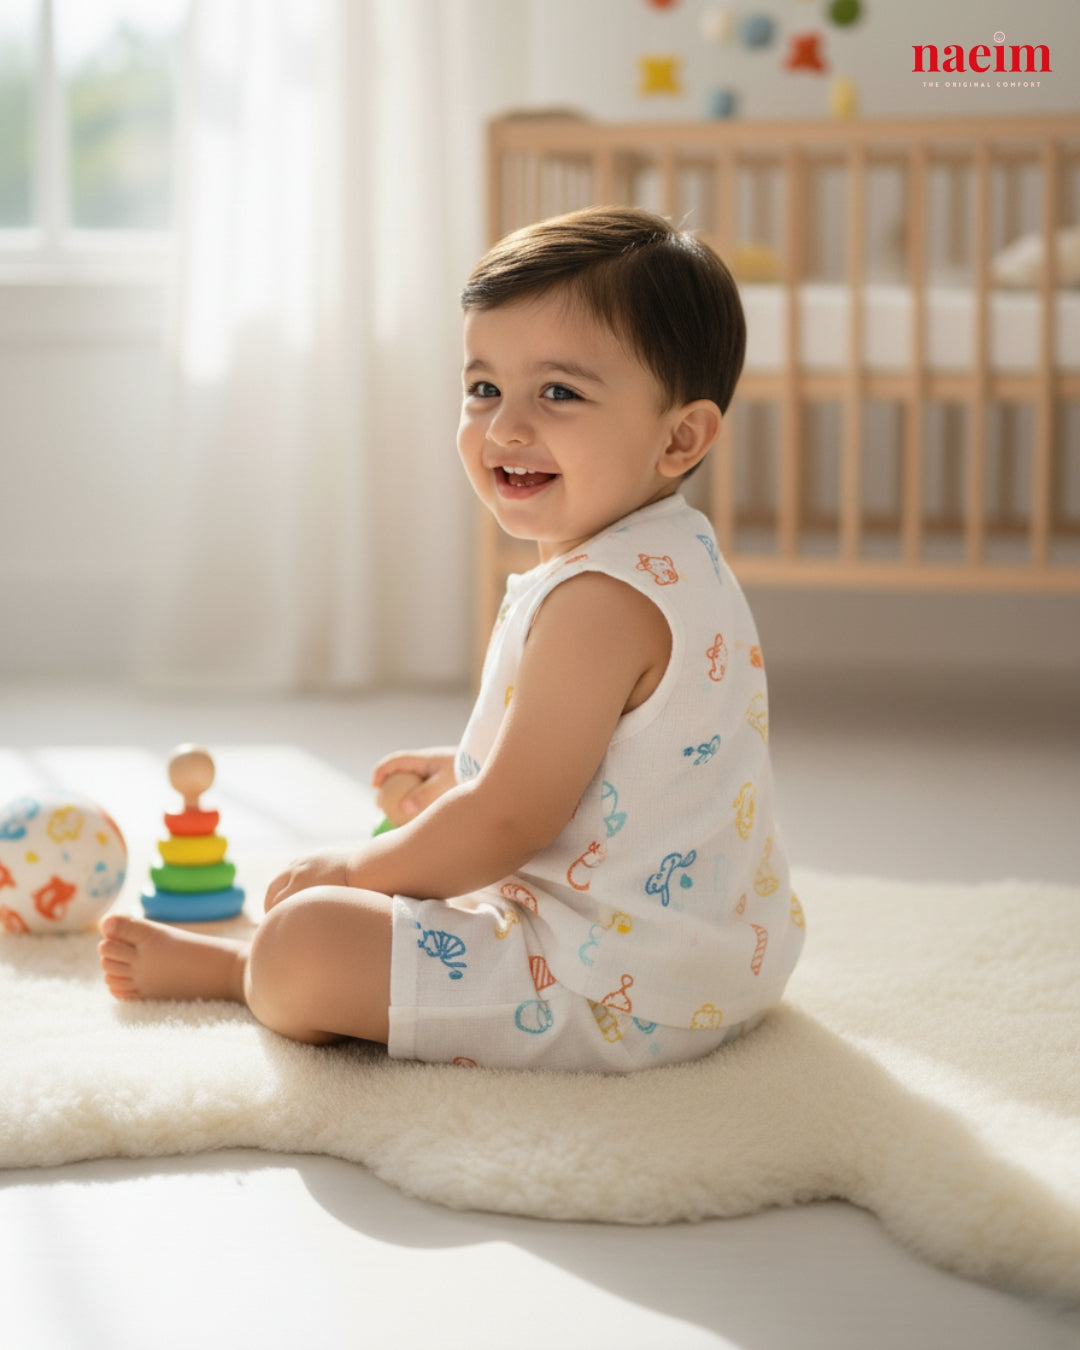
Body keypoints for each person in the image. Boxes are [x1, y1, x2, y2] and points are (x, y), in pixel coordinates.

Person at [98, 206, 805, 1072]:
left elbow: (512, 817)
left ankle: (244, 967)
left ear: (680, 435)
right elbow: (629, 757)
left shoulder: (597, 601)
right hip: (713, 966)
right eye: (483, 388)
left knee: (307, 941)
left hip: (608, 990)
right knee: (391, 889)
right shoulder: (674, 556)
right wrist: (468, 769)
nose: (505, 426)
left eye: (559, 392)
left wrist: (359, 871)